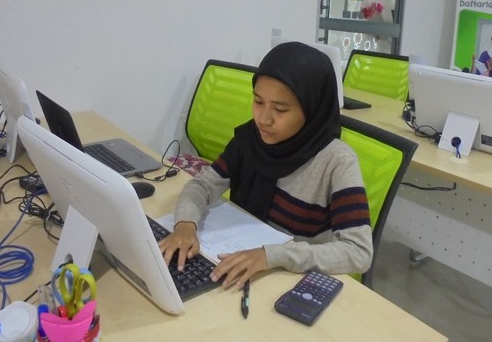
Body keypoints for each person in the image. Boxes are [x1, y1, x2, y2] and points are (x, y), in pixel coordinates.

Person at [158, 41, 373, 289]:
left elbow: (358, 252)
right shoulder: (250, 140)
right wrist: (185, 224)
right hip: (242, 270)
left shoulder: (337, 162)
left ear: (312, 110)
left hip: (292, 281)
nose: (263, 119)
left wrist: (273, 256)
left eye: (280, 109)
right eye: (258, 102)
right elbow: (202, 185)